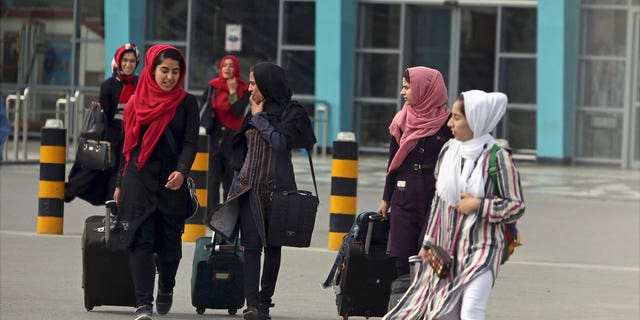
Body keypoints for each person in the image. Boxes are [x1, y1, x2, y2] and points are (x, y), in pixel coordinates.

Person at [383, 90, 525, 320]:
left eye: (457, 118)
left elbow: (516, 205)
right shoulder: (448, 151)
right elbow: (439, 203)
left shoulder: (498, 158)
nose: (450, 122)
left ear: (475, 120)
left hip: (483, 249)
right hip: (447, 251)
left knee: (471, 311)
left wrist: (479, 205)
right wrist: (427, 243)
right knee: (442, 313)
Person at [223, 62, 315, 320]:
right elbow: (242, 153)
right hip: (249, 189)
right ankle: (251, 303)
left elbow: (279, 142)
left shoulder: (291, 111)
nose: (249, 88)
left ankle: (264, 301)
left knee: (273, 247)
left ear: (267, 84)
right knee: (251, 247)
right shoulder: (252, 110)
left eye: (253, 83)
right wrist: (232, 191)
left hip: (279, 192)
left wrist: (260, 118)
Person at [113, 44, 199, 320]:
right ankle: (143, 304)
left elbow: (190, 142)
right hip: (137, 179)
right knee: (141, 240)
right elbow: (126, 147)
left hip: (170, 182)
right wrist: (118, 183)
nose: (169, 77)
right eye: (164, 70)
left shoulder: (187, 103)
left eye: (175, 71)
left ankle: (166, 287)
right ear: (152, 70)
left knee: (170, 246)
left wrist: (183, 171)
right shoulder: (137, 102)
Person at [376, 66, 452, 277]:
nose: (403, 92)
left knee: (428, 253)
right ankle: (403, 306)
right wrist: (386, 199)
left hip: (435, 196)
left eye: (407, 87)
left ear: (425, 90)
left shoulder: (448, 122)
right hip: (403, 195)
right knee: (400, 257)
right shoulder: (401, 120)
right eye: (403, 87)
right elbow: (393, 162)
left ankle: (425, 305)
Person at [65, 43, 141, 204]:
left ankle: (114, 211)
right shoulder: (109, 85)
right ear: (119, 62)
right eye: (125, 60)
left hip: (132, 138)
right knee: (94, 170)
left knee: (122, 178)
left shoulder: (140, 85)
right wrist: (109, 138)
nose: (128, 64)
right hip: (111, 138)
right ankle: (66, 192)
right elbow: (104, 115)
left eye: (132, 61)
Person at [201, 55, 250, 208]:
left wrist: (232, 91)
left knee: (229, 180)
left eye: (231, 66)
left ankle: (228, 216)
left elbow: (237, 111)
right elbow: (204, 108)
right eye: (224, 65)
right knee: (212, 180)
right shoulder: (212, 86)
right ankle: (211, 216)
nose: (227, 68)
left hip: (232, 138)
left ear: (236, 69)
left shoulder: (244, 89)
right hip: (214, 136)